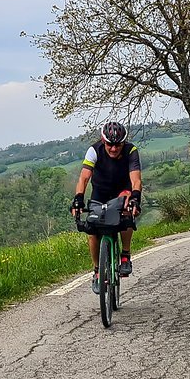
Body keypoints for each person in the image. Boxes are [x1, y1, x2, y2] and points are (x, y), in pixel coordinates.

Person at [70, 121, 143, 293]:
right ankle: (97, 270)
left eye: (118, 144)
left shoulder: (131, 151)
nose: (113, 148)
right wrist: (78, 198)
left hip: (122, 191)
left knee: (127, 210)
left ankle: (125, 255)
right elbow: (84, 178)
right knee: (92, 230)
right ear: (103, 141)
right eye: (110, 144)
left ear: (123, 142)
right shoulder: (94, 150)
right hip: (100, 193)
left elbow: (136, 180)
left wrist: (135, 198)